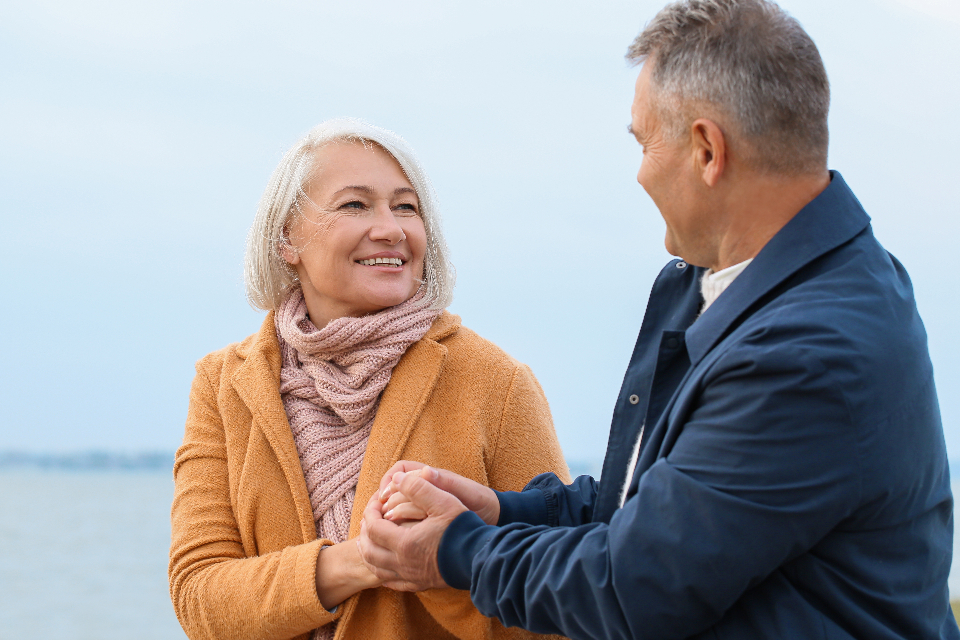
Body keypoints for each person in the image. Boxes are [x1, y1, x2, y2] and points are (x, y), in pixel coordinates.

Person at [357, 1, 960, 638]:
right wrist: (502, 512)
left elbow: (636, 586)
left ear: (706, 150)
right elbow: (658, 498)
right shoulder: (754, 282)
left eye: (644, 141)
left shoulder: (807, 353)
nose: (639, 170)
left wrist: (457, 552)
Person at [168, 118, 571, 640]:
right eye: (355, 205)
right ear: (287, 237)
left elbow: (558, 594)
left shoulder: (496, 382)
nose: (391, 228)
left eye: (406, 206)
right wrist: (359, 562)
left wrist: (443, 560)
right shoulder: (225, 385)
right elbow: (199, 599)